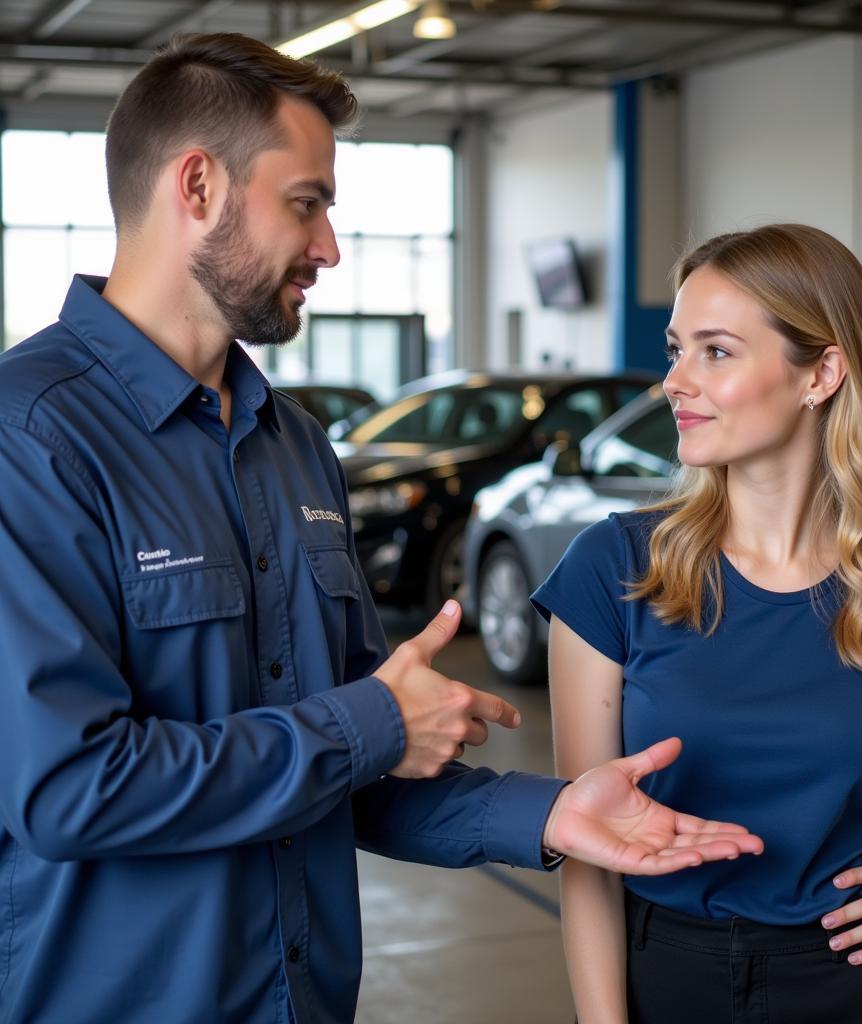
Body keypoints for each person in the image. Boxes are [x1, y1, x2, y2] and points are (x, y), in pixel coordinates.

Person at [0, 34, 765, 1024]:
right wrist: (368, 722)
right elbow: (71, 790)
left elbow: (357, 770)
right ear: (196, 186)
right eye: (307, 203)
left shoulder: (295, 447)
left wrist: (549, 811)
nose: (328, 248)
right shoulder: (34, 439)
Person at [532, 223, 862, 1024]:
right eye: (675, 348)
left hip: (850, 982)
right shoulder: (614, 569)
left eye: (715, 352)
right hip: (664, 978)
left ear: (822, 372)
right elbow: (584, 853)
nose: (674, 382)